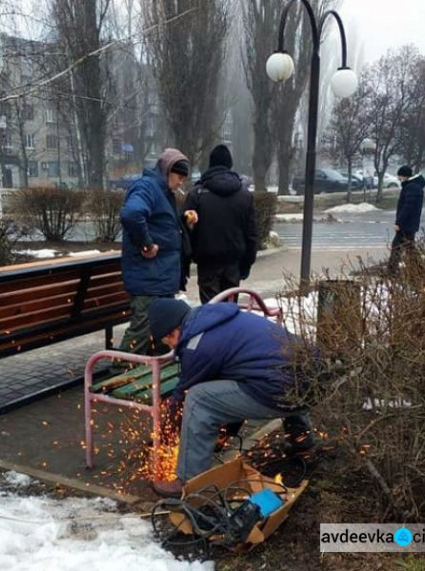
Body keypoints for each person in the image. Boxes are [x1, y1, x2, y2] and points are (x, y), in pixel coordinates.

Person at [147, 298, 314, 498]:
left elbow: (181, 396)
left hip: (280, 390)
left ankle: (188, 481)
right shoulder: (220, 319)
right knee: (281, 372)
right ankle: (302, 444)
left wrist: (163, 439)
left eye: (169, 343)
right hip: (312, 382)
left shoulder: (196, 345)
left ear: (172, 332)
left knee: (197, 400)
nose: (173, 347)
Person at [118, 148, 195, 356]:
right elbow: (132, 214)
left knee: (161, 333)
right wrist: (147, 245)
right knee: (141, 333)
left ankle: (153, 377)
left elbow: (160, 224)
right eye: (179, 177)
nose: (181, 182)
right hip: (149, 281)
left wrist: (183, 221)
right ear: (168, 171)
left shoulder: (162, 191)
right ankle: (117, 379)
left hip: (160, 279)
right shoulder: (147, 187)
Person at [183, 144, 257, 304]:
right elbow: (251, 234)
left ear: (211, 165)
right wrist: (247, 263)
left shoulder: (197, 194)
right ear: (230, 165)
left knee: (211, 310)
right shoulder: (244, 195)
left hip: (207, 262)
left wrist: (188, 259)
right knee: (229, 310)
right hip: (233, 263)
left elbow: (185, 229)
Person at [387, 165, 425, 274]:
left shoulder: (411, 187)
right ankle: (419, 270)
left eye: (400, 176)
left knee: (397, 247)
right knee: (409, 248)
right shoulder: (413, 186)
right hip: (410, 223)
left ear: (404, 176)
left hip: (406, 224)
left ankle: (392, 271)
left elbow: (408, 206)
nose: (398, 178)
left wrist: (399, 222)